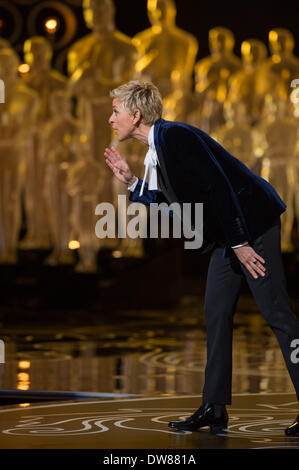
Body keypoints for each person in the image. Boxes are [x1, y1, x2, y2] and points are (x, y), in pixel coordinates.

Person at [104, 80, 299, 436]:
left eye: (115, 111)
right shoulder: (159, 147)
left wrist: (241, 242)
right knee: (216, 310)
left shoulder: (176, 137)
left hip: (252, 224)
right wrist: (133, 184)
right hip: (233, 233)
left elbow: (220, 186)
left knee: (277, 313)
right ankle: (214, 407)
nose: (110, 119)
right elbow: (180, 205)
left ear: (135, 115)